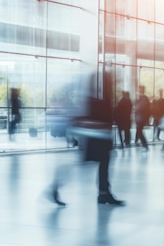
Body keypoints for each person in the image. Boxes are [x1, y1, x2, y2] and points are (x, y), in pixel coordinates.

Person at [49, 70, 124, 206]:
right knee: (86, 164)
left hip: (96, 137)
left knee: (102, 162)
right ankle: (56, 187)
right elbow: (83, 118)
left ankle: (104, 193)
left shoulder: (92, 98)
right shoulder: (90, 100)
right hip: (93, 138)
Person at [134, 85, 150, 151]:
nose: (139, 90)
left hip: (141, 118)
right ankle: (143, 145)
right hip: (140, 118)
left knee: (139, 131)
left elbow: (142, 108)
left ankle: (145, 145)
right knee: (139, 131)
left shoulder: (143, 98)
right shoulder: (142, 98)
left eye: (140, 89)